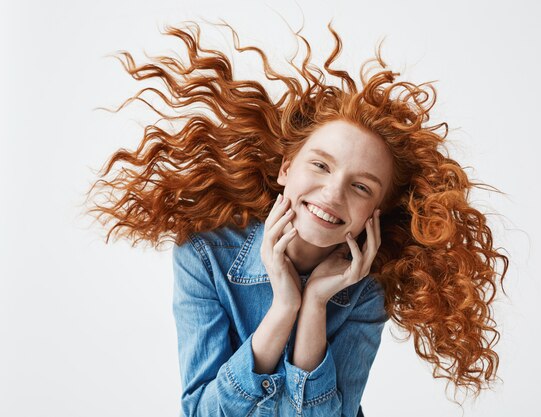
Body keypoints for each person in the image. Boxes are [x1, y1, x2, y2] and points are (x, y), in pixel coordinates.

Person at [85, 19, 509, 417]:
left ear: (373, 215)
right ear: (286, 167)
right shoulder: (204, 253)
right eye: (321, 166)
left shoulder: (366, 288)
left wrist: (315, 306)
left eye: (361, 187)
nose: (333, 194)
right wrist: (283, 307)